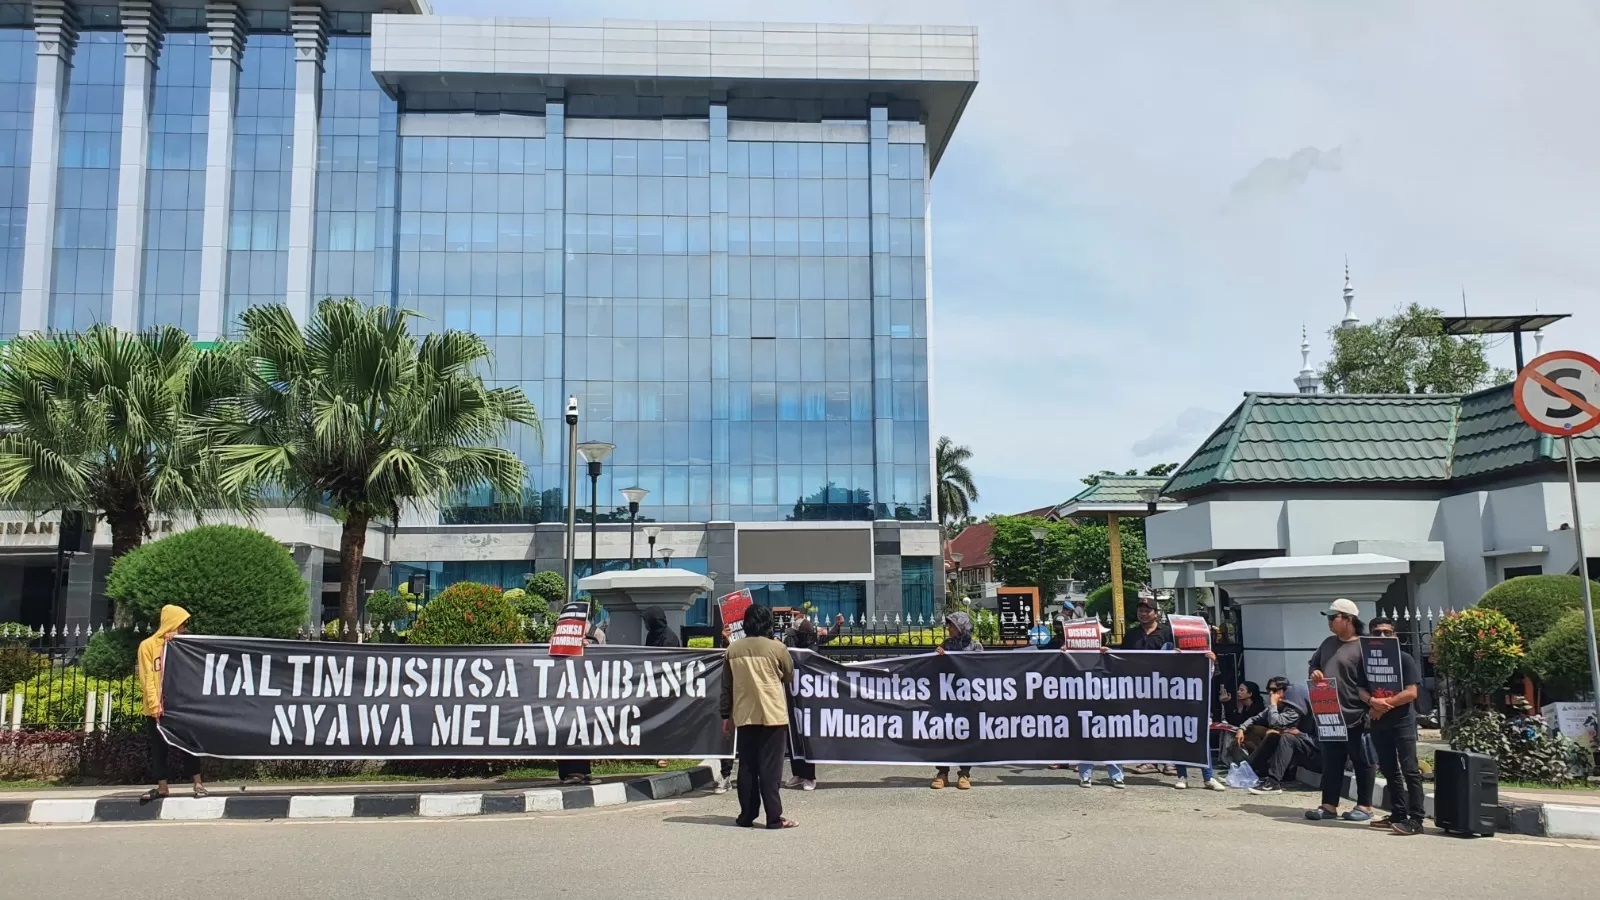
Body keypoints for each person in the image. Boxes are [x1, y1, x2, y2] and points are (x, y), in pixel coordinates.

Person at [721, 603, 797, 829]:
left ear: (745, 623)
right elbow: (788, 676)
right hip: (772, 714)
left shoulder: (732, 650)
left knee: (747, 767)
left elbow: (726, 687)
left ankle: (746, 816)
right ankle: (774, 818)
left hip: (745, 715)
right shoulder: (777, 648)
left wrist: (725, 715)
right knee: (770, 770)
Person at [1304, 598, 1377, 822]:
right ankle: (1329, 805)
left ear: (1349, 619)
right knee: (1332, 761)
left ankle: (1364, 806)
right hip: (1330, 715)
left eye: (1332, 617)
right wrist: (1315, 672)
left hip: (1357, 714)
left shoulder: (1365, 646)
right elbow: (1314, 665)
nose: (1329, 622)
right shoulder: (1327, 643)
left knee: (1362, 761)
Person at [137, 605, 205, 804]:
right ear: (171, 623)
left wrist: (175, 645)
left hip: (180, 707)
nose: (185, 628)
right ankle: (162, 787)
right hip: (156, 708)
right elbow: (147, 678)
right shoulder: (148, 646)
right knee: (159, 748)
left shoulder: (182, 645)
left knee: (188, 745)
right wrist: (154, 704)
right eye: (182, 623)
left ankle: (198, 784)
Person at [1364, 615, 1425, 836]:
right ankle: (1398, 813)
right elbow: (1359, 689)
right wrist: (1372, 702)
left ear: (1395, 635)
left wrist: (1382, 705)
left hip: (1402, 723)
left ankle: (1416, 819)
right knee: (1390, 769)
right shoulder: (1367, 661)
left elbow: (1411, 692)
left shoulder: (1404, 659)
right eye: (1377, 633)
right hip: (1379, 724)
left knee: (1410, 770)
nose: (1382, 636)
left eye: (1387, 633)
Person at [782, 611, 843, 791]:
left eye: (795, 636)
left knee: (808, 738)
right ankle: (798, 774)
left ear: (804, 636)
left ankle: (809, 776)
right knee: (793, 738)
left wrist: (837, 626)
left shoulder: (813, 651)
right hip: (793, 699)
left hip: (810, 702)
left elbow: (828, 638)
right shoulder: (792, 647)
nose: (790, 639)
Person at [1237, 676, 1318, 794]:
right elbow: (1256, 718)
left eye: (1274, 690)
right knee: (1273, 736)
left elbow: (1275, 723)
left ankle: (1273, 783)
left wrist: (1300, 734)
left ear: (1284, 691)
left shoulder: (1293, 710)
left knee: (1287, 737)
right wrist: (1242, 728)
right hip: (1300, 750)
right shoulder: (1279, 706)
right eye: (1269, 690)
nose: (1271, 694)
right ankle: (1247, 771)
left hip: (1316, 753)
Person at [932, 611, 982, 790]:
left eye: (951, 625)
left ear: (961, 627)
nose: (948, 628)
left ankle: (965, 773)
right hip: (947, 699)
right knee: (943, 735)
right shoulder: (946, 645)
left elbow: (982, 670)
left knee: (965, 735)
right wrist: (937, 656)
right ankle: (942, 772)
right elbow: (935, 669)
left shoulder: (976, 647)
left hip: (967, 699)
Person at [558, 620, 608, 785]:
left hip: (585, 691)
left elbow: (603, 653)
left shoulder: (595, 633)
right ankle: (571, 772)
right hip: (565, 694)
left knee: (583, 731)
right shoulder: (559, 633)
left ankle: (583, 771)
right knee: (567, 730)